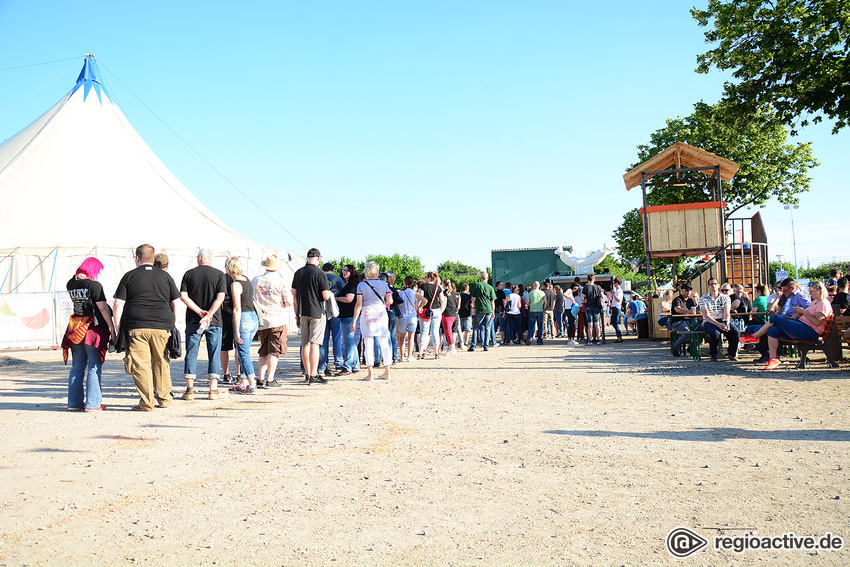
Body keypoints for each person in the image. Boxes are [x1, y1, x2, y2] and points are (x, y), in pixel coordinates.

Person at [113, 244, 181, 412]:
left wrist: (117, 327)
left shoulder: (129, 276)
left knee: (140, 365)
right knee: (161, 362)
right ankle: (164, 398)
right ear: (153, 258)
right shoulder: (166, 277)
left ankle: (147, 402)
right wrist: (174, 324)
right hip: (162, 325)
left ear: (137, 258)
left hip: (136, 326)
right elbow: (176, 302)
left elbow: (118, 304)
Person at [62, 257, 116, 412]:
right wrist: (112, 328)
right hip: (92, 328)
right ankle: (93, 404)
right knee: (94, 365)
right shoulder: (94, 285)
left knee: (77, 367)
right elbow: (103, 308)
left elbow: (76, 281)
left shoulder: (70, 284)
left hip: (74, 328)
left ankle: (74, 403)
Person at [744, 281, 834, 370]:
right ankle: (773, 359)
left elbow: (817, 322)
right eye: (809, 291)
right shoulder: (815, 302)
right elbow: (809, 317)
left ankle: (755, 336)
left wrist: (803, 312)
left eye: (812, 291)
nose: (810, 293)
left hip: (810, 331)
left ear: (820, 291)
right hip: (803, 327)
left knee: (775, 318)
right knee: (773, 330)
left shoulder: (823, 303)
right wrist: (799, 314)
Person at [180, 248, 228, 401]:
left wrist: (199, 311)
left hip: (194, 320)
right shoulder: (219, 274)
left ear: (200, 258)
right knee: (214, 353)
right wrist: (209, 314)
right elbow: (220, 297)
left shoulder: (189, 274)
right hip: (214, 321)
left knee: (191, 352)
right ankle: (213, 389)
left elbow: (183, 296)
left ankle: (189, 389)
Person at [291, 248, 332, 384]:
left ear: (307, 258)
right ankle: (314, 374)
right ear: (318, 258)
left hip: (302, 312)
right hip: (317, 312)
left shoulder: (299, 273)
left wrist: (297, 314)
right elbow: (325, 295)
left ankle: (307, 374)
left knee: (305, 344)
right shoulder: (320, 273)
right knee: (315, 343)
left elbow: (294, 295)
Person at [252, 255, 292, 385]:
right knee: (274, 351)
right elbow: (288, 302)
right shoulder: (281, 281)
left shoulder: (255, 280)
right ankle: (270, 379)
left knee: (263, 350)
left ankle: (261, 377)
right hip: (277, 319)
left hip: (261, 320)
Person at [351, 261, 393, 381]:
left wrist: (354, 321)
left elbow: (358, 305)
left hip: (367, 315)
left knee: (368, 344)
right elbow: (389, 301)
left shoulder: (361, 285)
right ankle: (387, 371)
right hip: (381, 315)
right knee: (384, 343)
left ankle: (370, 374)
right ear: (376, 272)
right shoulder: (384, 284)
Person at [226, 257, 260, 393]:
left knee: (243, 353)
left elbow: (236, 308)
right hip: (253, 318)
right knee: (244, 351)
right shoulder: (246, 280)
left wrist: (237, 331)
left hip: (244, 319)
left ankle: (252, 384)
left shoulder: (235, 285)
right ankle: (243, 382)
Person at [698, 277, 740, 361]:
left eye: (715, 284)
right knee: (715, 334)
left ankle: (732, 354)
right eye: (711, 284)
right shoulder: (703, 299)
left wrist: (726, 323)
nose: (713, 285)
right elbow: (706, 315)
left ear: (718, 285)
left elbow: (727, 312)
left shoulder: (726, 298)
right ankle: (713, 354)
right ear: (708, 286)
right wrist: (718, 324)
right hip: (710, 321)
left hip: (722, 319)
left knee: (735, 332)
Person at [318, 263, 345, 378]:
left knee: (323, 340)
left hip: (322, 312)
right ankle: (338, 364)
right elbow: (343, 293)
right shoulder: (338, 279)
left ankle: (323, 366)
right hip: (335, 312)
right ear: (332, 270)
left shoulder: (319, 277)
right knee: (337, 339)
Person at [416, 272, 446, 359]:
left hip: (426, 311)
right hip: (436, 310)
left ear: (429, 278)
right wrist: (440, 311)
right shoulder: (438, 287)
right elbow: (442, 301)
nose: (424, 278)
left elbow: (419, 299)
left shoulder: (423, 286)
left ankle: (420, 353)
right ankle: (436, 353)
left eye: (425, 277)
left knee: (424, 332)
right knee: (435, 332)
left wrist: (418, 309)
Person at [468, 271, 496, 352]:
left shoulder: (477, 285)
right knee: (487, 328)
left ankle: (473, 345)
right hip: (489, 309)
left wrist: (474, 305)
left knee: (476, 327)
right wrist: (493, 312)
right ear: (487, 278)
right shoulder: (490, 287)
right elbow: (492, 301)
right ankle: (486, 346)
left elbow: (472, 297)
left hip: (480, 309)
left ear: (481, 278)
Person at [669, 283, 698, 356]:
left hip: (690, 321)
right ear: (682, 290)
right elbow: (677, 309)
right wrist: (688, 311)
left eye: (690, 290)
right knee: (688, 334)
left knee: (704, 329)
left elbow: (695, 310)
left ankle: (691, 347)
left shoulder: (691, 300)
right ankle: (674, 347)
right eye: (686, 290)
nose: (689, 292)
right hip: (677, 322)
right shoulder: (677, 300)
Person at [396, 275, 419, 363]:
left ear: (405, 282)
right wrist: (419, 307)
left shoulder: (400, 292)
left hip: (403, 317)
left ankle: (402, 356)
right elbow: (424, 300)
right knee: (411, 337)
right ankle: (409, 356)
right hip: (412, 317)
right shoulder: (414, 293)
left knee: (401, 338)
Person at [581, 274, 604, 345]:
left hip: (588, 307)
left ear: (587, 280)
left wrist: (586, 299)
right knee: (597, 324)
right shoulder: (598, 287)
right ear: (594, 280)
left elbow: (582, 298)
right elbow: (602, 296)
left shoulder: (585, 288)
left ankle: (590, 340)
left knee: (590, 325)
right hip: (596, 307)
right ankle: (598, 340)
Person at [441, 280, 460, 355]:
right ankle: (452, 347)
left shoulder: (444, 293)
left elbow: (444, 303)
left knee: (448, 332)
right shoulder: (454, 293)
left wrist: (440, 312)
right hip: (453, 314)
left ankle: (451, 348)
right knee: (451, 332)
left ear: (443, 284)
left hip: (447, 314)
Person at [458, 282, 473, 347]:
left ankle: (460, 341)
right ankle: (466, 342)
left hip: (460, 314)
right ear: (467, 289)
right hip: (467, 314)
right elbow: (471, 305)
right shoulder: (469, 297)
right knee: (467, 330)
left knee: (460, 329)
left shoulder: (459, 296)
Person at [609, 278, 624, 342]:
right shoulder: (617, 291)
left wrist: (613, 295)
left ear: (617, 283)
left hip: (616, 308)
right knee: (615, 323)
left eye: (614, 283)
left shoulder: (619, 291)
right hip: (615, 307)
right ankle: (619, 337)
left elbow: (618, 300)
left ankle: (619, 337)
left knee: (615, 323)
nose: (613, 284)